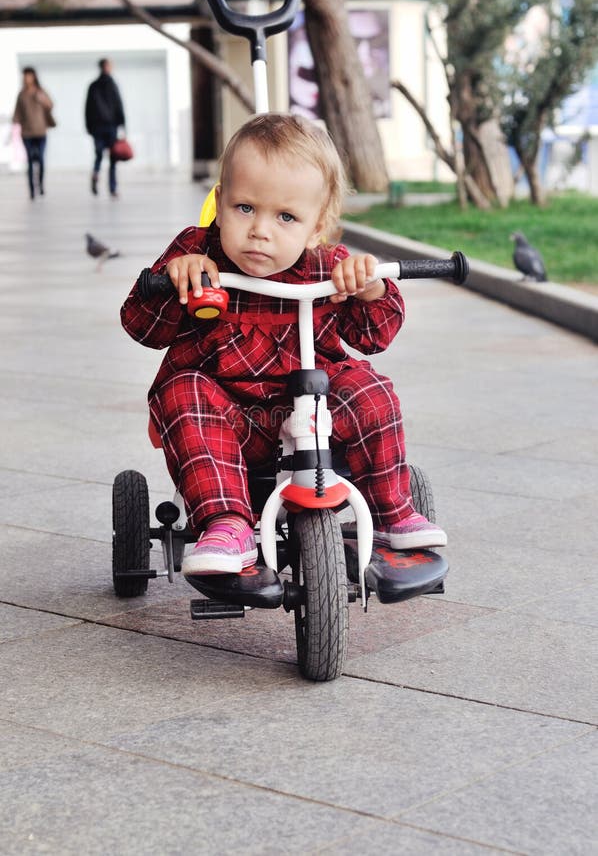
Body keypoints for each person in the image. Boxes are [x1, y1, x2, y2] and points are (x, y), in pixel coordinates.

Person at [121, 113, 447, 577]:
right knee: (182, 389)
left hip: (312, 414)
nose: (261, 230)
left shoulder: (327, 267)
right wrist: (174, 281)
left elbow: (374, 336)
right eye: (245, 208)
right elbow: (140, 326)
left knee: (369, 388)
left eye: (286, 217)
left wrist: (370, 288)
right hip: (224, 418)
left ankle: (391, 508)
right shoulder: (197, 255)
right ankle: (226, 523)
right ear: (219, 201)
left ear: (316, 228)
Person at [85, 58, 125, 198]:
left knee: (99, 155)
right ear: (106, 67)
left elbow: (87, 109)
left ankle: (96, 174)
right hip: (110, 126)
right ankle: (112, 188)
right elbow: (119, 106)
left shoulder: (93, 86)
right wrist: (122, 126)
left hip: (97, 127)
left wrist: (89, 127)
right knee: (112, 158)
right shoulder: (112, 84)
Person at [12, 67, 55, 200]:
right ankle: (31, 190)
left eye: (29, 76)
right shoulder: (21, 94)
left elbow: (50, 105)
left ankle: (40, 185)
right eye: (25, 76)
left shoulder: (40, 92)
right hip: (27, 133)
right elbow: (17, 114)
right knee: (30, 160)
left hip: (41, 131)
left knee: (41, 160)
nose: (27, 78)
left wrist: (42, 99)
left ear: (34, 77)